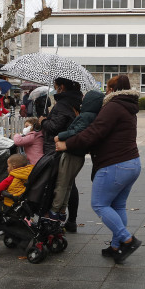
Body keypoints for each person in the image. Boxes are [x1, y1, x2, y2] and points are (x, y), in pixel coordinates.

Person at [57, 74, 142, 264]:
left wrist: (67, 144)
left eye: (107, 89)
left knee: (99, 204)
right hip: (132, 163)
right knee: (117, 206)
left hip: (115, 164)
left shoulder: (113, 106)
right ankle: (116, 246)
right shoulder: (129, 107)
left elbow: (94, 132)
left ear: (111, 90)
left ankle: (127, 240)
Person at [51, 89, 104, 221]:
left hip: (72, 153)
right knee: (68, 184)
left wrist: (60, 136)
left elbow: (77, 131)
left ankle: (55, 210)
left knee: (62, 183)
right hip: (78, 154)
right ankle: (62, 210)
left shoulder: (86, 116)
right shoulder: (93, 115)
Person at [40, 78, 83, 231]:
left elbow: (54, 126)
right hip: (68, 147)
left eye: (56, 86)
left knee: (61, 184)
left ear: (61, 87)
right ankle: (70, 220)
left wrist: (43, 121)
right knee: (69, 184)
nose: (54, 89)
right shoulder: (75, 101)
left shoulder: (63, 104)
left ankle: (55, 216)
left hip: (57, 148)